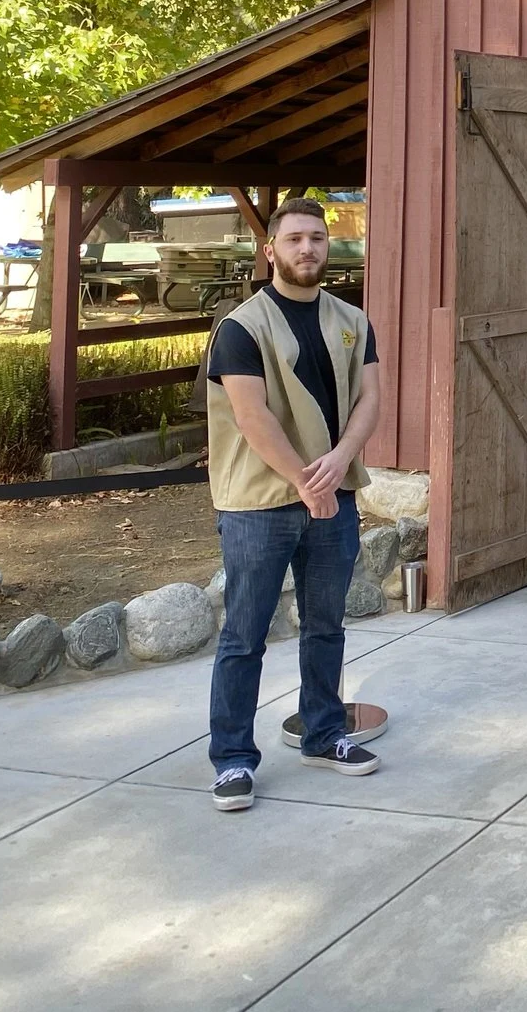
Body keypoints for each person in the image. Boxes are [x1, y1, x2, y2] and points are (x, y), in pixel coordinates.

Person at [203, 195, 383, 811]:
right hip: (260, 505)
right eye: (295, 239)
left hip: (333, 494)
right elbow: (252, 418)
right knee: (244, 634)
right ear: (271, 249)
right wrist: (311, 482)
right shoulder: (240, 328)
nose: (307, 249)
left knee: (326, 625)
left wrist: (339, 462)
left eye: (317, 238)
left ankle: (324, 733)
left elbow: (369, 401)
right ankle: (231, 760)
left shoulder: (352, 321)